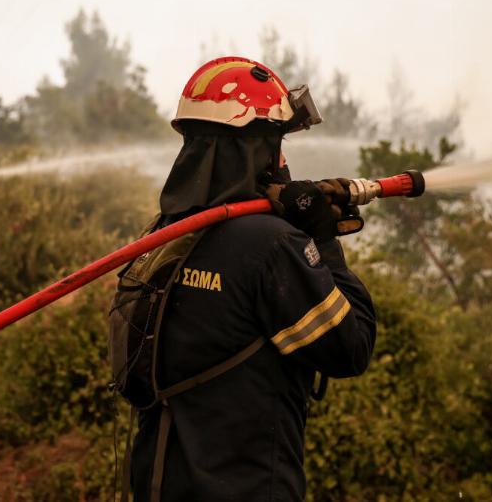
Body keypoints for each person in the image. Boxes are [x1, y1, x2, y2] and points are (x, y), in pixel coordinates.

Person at [111, 57, 377, 501]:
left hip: (157, 485)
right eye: (277, 143)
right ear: (257, 149)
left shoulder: (164, 234)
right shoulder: (272, 246)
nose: (283, 159)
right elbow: (352, 348)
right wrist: (321, 235)